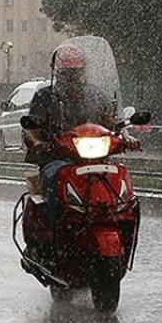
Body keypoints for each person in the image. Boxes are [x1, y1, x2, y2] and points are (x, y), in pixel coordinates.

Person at [23, 42, 139, 217]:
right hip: (59, 158)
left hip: (96, 160)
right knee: (54, 177)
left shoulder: (95, 96)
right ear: (56, 72)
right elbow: (33, 128)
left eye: (75, 72)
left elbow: (112, 122)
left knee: (120, 179)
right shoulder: (45, 96)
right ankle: (57, 227)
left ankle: (122, 220)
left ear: (83, 71)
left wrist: (125, 136)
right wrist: (39, 142)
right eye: (66, 73)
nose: (71, 78)